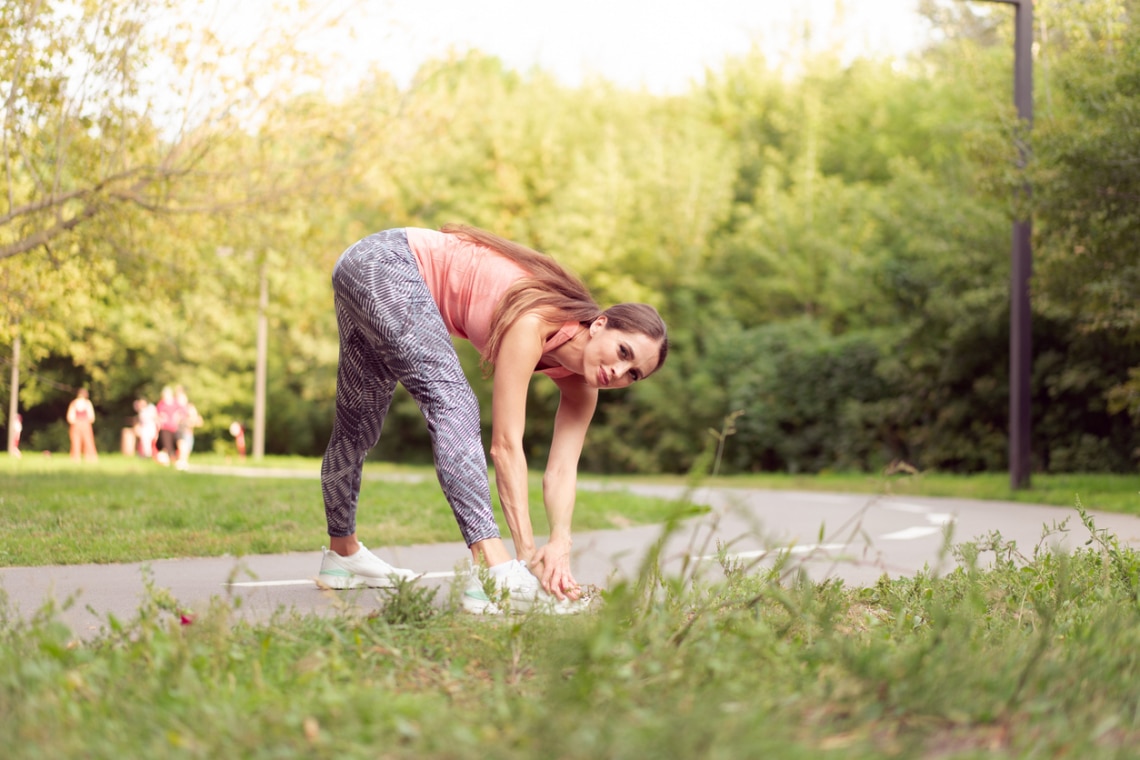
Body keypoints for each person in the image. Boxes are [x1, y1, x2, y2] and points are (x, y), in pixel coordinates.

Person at [318, 225, 668, 614]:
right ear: (600, 323)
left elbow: (562, 471)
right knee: (453, 400)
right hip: (385, 262)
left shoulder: (584, 389)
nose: (619, 372)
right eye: (623, 352)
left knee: (357, 424)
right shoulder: (535, 322)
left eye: (633, 373)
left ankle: (343, 555)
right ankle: (493, 571)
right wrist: (527, 559)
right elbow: (505, 446)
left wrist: (560, 543)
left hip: (363, 266)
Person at [174, 387, 203, 470]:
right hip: (181, 430)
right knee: (182, 446)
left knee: (187, 449)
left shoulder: (189, 407)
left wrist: (192, 421)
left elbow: (198, 420)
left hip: (188, 432)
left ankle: (183, 462)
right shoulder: (176, 408)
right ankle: (181, 462)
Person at [154, 385, 184, 466]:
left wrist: (178, 417)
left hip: (175, 428)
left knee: (179, 444)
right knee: (167, 446)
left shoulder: (175, 403)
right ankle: (170, 460)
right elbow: (157, 416)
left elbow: (182, 412)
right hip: (165, 428)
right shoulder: (161, 404)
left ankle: (180, 460)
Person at [66, 389, 98, 461]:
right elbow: (92, 417)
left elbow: (70, 417)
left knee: (75, 441)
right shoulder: (87, 403)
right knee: (88, 441)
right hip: (85, 424)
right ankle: (90, 458)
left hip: (76, 424)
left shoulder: (74, 403)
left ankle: (75, 458)